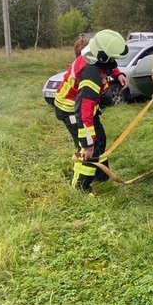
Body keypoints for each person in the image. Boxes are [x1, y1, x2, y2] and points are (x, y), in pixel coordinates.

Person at [54, 29, 129, 192]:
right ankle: (79, 188)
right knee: (89, 149)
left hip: (83, 109)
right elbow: (83, 111)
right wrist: (87, 143)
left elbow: (108, 64)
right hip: (72, 111)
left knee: (99, 139)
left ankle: (101, 176)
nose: (113, 61)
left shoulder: (93, 53)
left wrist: (118, 74)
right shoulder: (91, 74)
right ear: (102, 55)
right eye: (112, 57)